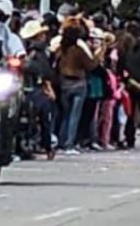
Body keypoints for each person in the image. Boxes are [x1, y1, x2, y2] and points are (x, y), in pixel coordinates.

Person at [55, 25, 98, 154]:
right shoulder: (78, 50)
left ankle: (61, 142)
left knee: (66, 115)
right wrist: (99, 55)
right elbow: (90, 65)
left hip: (63, 83)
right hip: (78, 83)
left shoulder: (60, 50)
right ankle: (70, 144)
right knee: (75, 115)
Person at [21, 20, 58, 160]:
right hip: (35, 88)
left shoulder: (24, 50)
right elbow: (46, 73)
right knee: (44, 117)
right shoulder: (38, 52)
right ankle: (46, 146)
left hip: (24, 88)